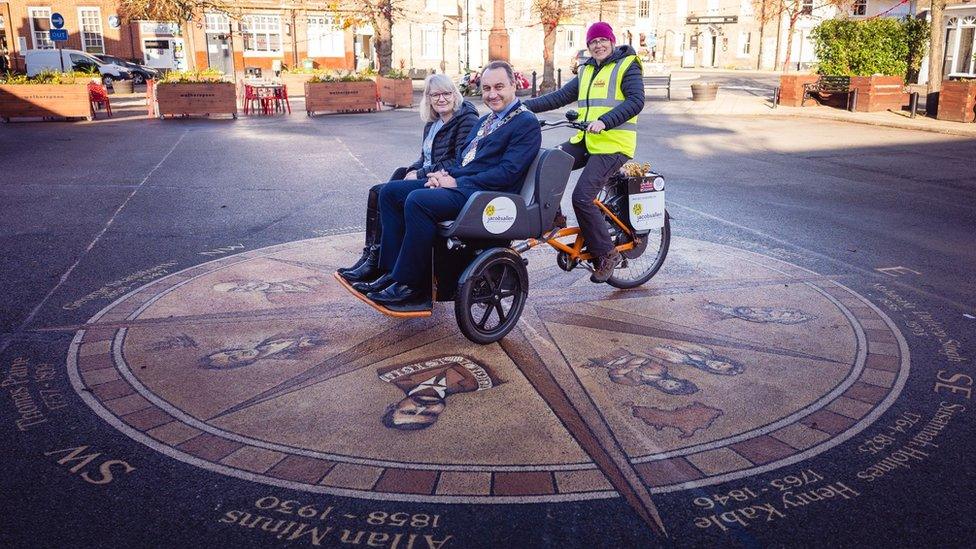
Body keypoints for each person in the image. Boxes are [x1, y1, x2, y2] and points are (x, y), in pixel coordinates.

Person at [350, 61, 542, 310]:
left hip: (487, 195)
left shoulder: (525, 123)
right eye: (486, 88)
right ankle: (391, 272)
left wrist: (456, 181)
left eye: (499, 87)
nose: (492, 94)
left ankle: (413, 287)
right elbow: (463, 158)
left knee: (418, 201)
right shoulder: (487, 120)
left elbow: (507, 172)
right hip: (466, 185)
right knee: (390, 192)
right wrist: (441, 175)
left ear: (513, 86)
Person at [524, 22, 645, 283]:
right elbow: (559, 96)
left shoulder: (628, 65)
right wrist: (522, 107)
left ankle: (607, 253)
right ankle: (554, 218)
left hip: (614, 144)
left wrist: (605, 121)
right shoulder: (587, 69)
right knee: (548, 161)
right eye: (593, 42)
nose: (598, 45)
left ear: (612, 41)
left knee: (582, 197)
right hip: (588, 140)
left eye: (603, 40)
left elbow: (636, 101)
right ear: (588, 46)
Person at [338, 74, 479, 283]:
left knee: (390, 192)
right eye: (435, 95)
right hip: (429, 172)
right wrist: (412, 170)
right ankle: (374, 255)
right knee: (380, 189)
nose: (441, 99)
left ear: (454, 94)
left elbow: (458, 161)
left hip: (443, 179)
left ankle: (387, 267)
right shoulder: (433, 123)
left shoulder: (466, 120)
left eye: (446, 93)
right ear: (428, 98)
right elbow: (424, 157)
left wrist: (419, 174)